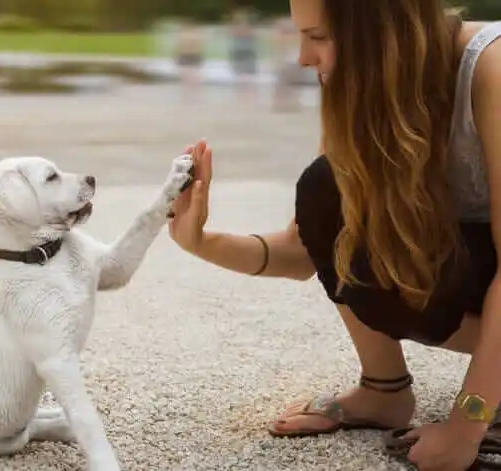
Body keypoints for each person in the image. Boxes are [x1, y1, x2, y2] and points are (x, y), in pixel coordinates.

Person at [168, 0, 501, 469]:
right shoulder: (363, 85)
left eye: (318, 37)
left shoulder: (492, 66)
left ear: (384, 30)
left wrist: (467, 426)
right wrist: (199, 241)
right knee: (328, 189)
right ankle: (383, 389)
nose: (302, 57)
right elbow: (310, 250)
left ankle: (487, 399)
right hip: (476, 292)